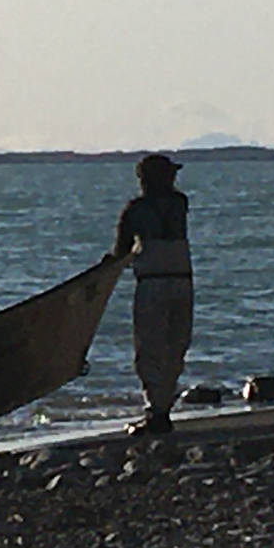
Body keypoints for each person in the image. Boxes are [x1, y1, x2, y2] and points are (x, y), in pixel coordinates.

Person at [111, 152, 193, 435]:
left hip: (152, 283)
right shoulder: (180, 203)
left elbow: (120, 251)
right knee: (176, 346)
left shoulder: (135, 210)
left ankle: (156, 411)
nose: (174, 178)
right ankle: (162, 409)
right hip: (183, 281)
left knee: (150, 349)